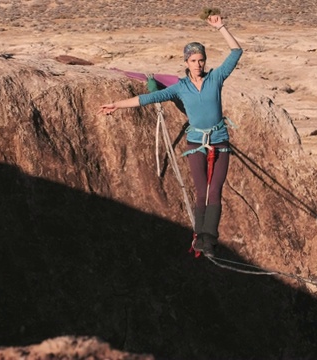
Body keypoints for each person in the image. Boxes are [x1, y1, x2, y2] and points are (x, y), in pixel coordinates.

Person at [98, 14, 242, 257]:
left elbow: (236, 52)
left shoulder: (215, 79)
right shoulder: (180, 88)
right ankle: (199, 237)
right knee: (200, 191)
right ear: (186, 62)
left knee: (215, 190)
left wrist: (221, 28)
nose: (198, 64)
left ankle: (209, 240)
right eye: (193, 60)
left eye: (201, 60)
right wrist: (116, 104)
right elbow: (147, 99)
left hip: (219, 141)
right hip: (196, 143)